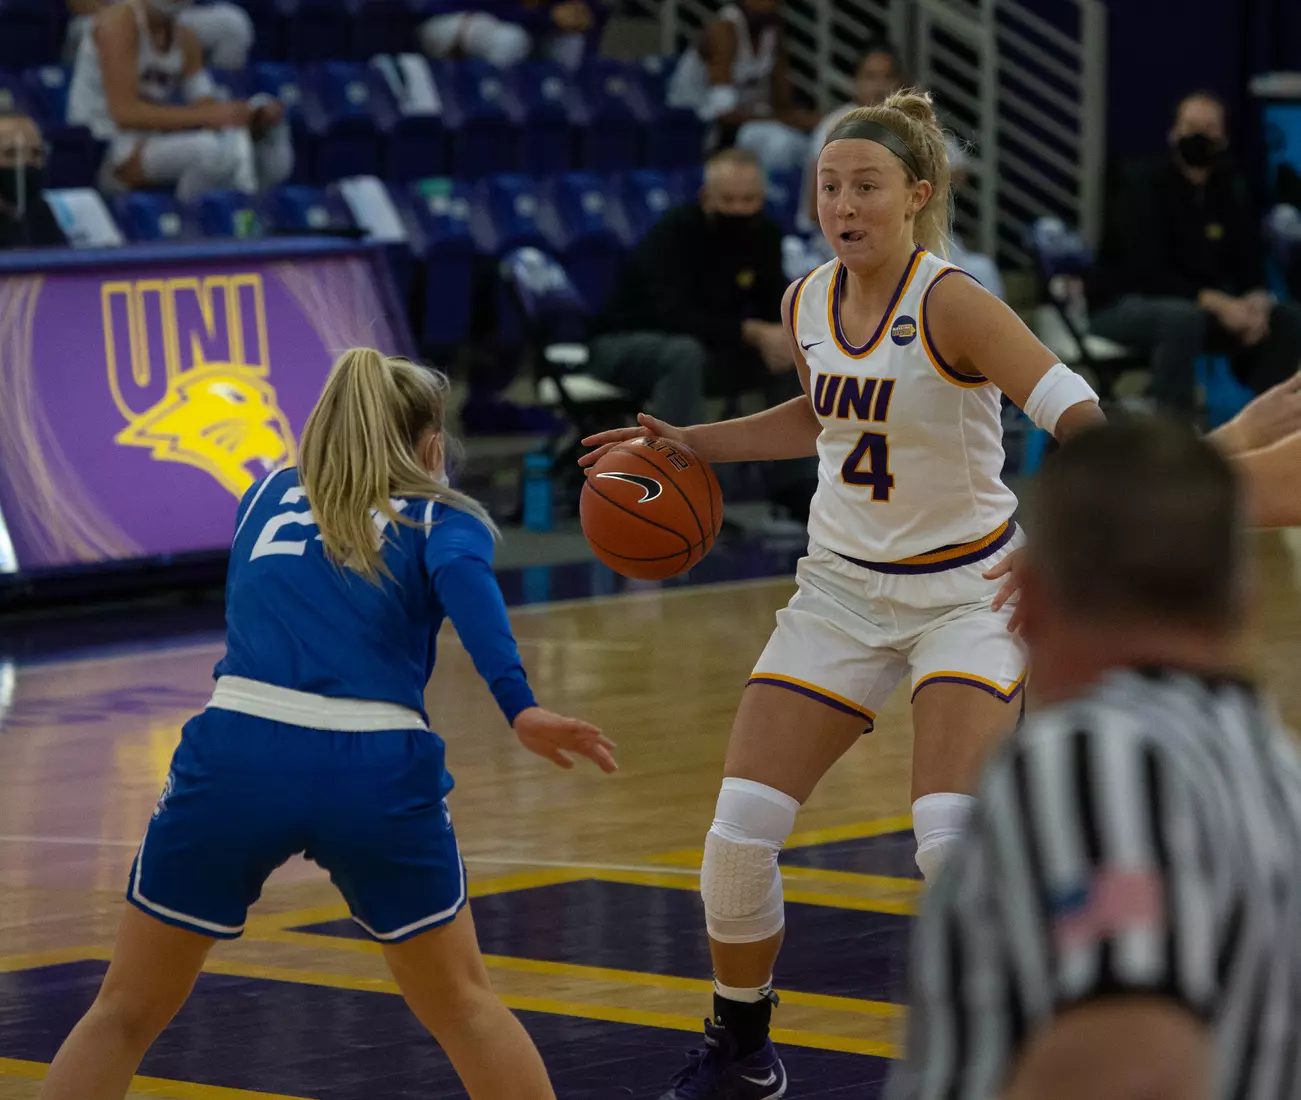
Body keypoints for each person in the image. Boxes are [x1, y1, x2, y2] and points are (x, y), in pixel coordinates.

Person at [582, 89, 1106, 1098]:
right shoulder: (804, 298)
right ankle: (743, 1048)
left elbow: (1072, 406)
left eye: (864, 185)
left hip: (967, 591)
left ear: (915, 195)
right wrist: (697, 441)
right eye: (827, 185)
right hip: (837, 592)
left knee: (946, 843)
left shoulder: (951, 301)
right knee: (735, 841)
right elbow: (821, 412)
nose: (841, 203)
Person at [36, 350, 617, 1100]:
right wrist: (520, 707)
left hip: (238, 749)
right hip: (373, 763)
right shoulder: (443, 513)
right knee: (466, 1010)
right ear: (429, 444)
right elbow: (469, 597)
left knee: (122, 1012)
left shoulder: (261, 494)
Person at [887, 417, 1301, 1100]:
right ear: (1243, 603)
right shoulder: (1274, 774)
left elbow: (1131, 1067)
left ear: (1034, 594)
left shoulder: (1099, 759)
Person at [1089, 90, 1301, 418]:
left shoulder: (1231, 189)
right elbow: (1146, 273)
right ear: (1173, 133)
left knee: (1285, 317)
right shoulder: (1141, 186)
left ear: (1224, 139)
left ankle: (1270, 424)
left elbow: (1249, 263)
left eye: (1209, 129)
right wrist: (1220, 303)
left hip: (1205, 313)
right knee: (1182, 317)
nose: (1199, 136)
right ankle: (1176, 438)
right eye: (1191, 127)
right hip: (1124, 306)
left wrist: (1257, 300)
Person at [590, 146, 791, 429]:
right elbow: (674, 317)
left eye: (748, 200)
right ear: (706, 198)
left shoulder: (766, 235)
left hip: (709, 343)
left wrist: (780, 336)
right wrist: (750, 331)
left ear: (762, 198)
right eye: (728, 200)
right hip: (625, 343)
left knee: (792, 348)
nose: (738, 209)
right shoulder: (676, 232)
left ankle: (799, 472)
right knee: (683, 353)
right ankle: (678, 465)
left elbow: (773, 303)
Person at [67, 0, 293, 203]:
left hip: (150, 140)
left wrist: (248, 115)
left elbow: (205, 105)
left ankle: (254, 215)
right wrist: (208, 116)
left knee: (260, 137)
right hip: (103, 143)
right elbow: (124, 114)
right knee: (207, 152)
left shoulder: (185, 38)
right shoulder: (119, 21)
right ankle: (194, 230)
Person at [666, 0, 819, 174]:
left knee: (809, 145)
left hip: (747, 118)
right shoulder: (723, 30)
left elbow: (783, 102)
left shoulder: (773, 32)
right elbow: (725, 114)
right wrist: (783, 119)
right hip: (697, 122)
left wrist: (809, 120)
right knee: (779, 142)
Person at [798, 43, 907, 233]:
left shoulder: (910, 125)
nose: (880, 86)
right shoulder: (835, 126)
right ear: (856, 81)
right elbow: (816, 209)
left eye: (887, 77)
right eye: (871, 77)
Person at [417, 1, 606, 72]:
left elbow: (591, 15)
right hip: (445, 20)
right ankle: (489, 104)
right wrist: (548, 17)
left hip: (521, 24)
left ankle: (553, 112)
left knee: (570, 41)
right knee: (510, 40)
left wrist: (581, 18)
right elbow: (497, 9)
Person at [67, 0, 255, 71]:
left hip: (167, 15)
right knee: (86, 29)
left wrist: (162, 17)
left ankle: (217, 97)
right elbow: (81, 4)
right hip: (106, 16)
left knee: (233, 25)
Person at [0, 113, 67, 249]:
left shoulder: (39, 211)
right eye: (11, 153)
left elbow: (62, 262)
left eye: (36, 153)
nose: (27, 162)